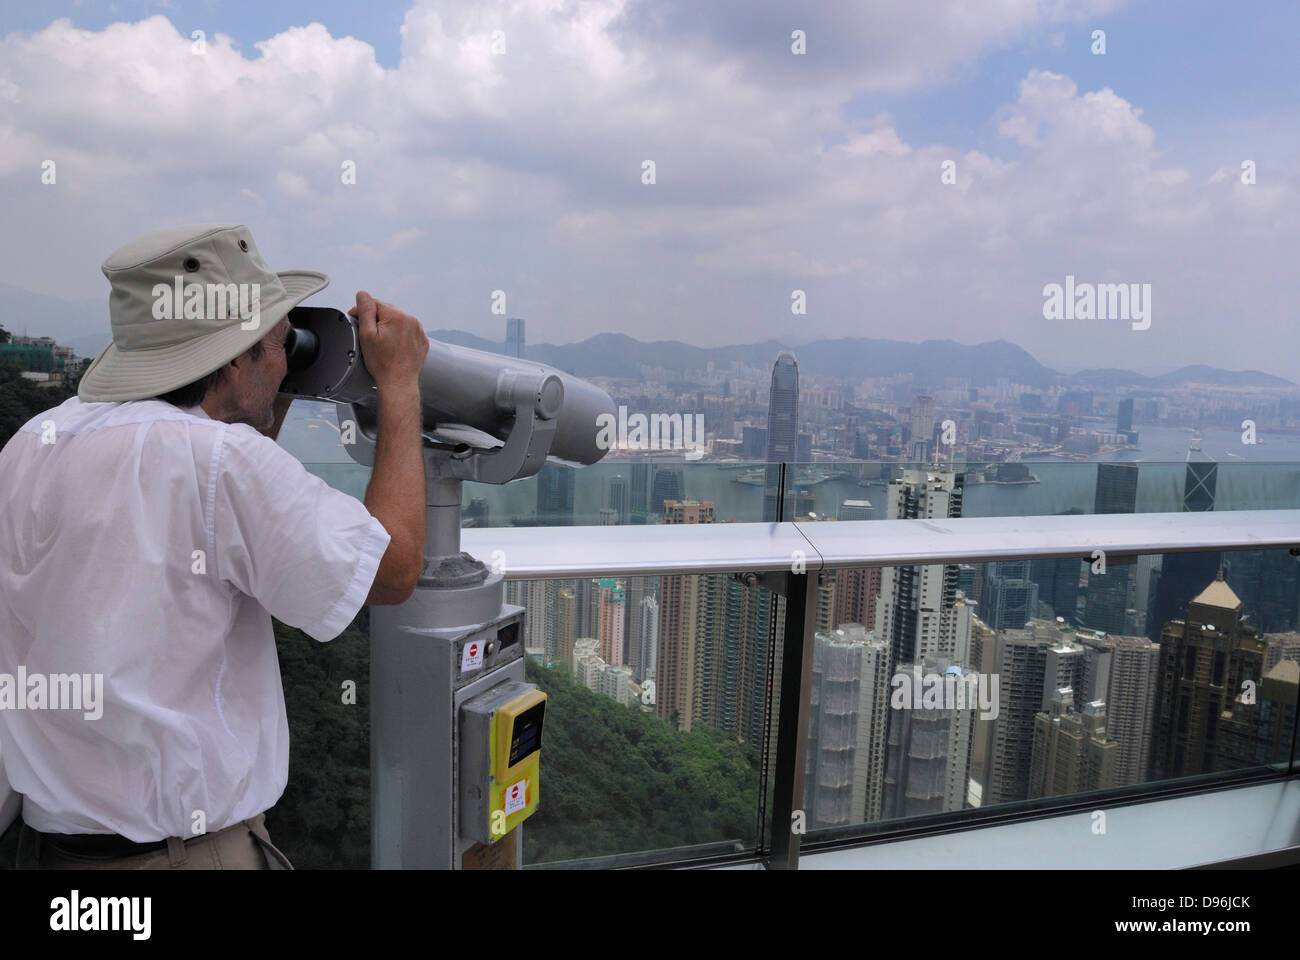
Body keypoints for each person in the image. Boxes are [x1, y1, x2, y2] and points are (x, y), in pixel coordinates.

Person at [0, 223, 429, 869]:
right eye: (280, 348)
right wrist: (400, 387)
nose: (287, 363)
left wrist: (264, 383)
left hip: (54, 855)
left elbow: (217, 515)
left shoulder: (36, 439)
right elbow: (392, 573)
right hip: (186, 856)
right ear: (234, 358)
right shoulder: (219, 462)